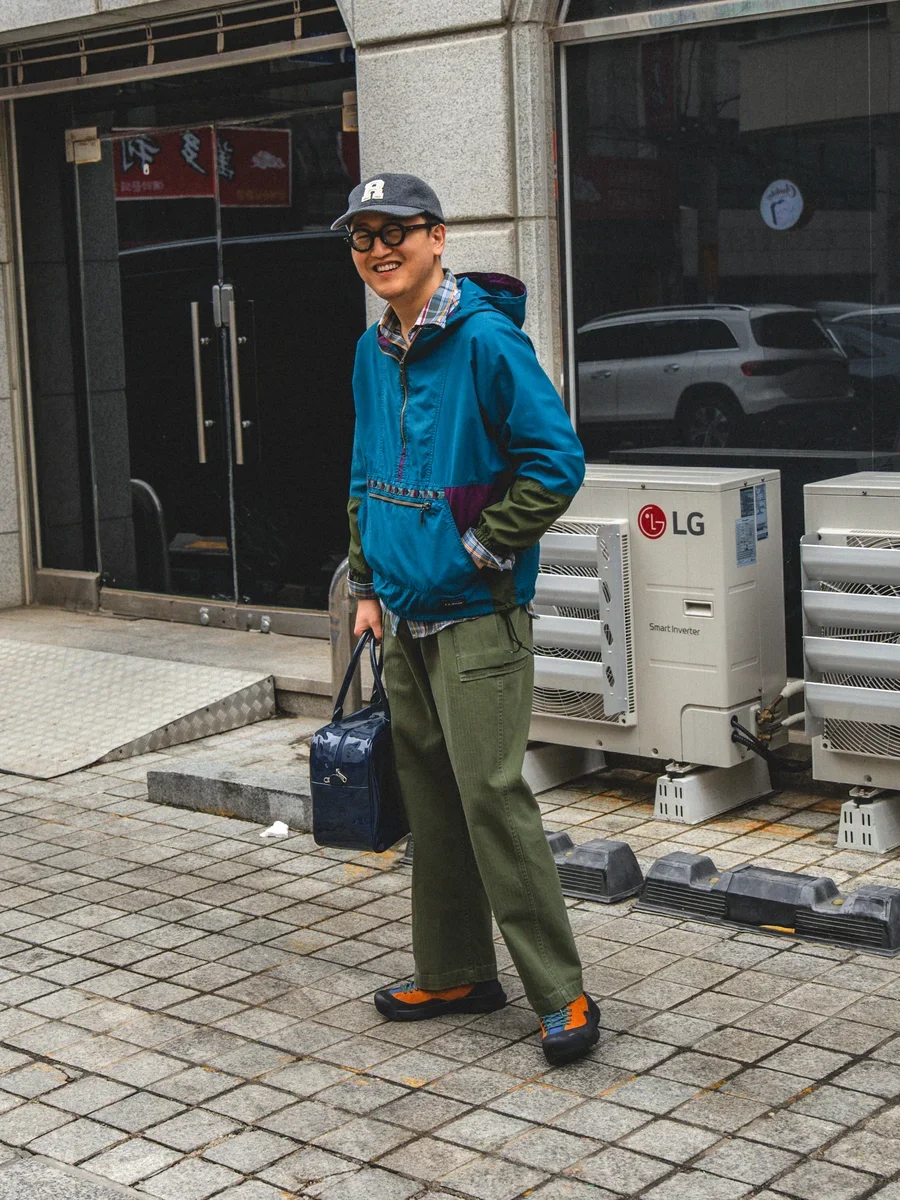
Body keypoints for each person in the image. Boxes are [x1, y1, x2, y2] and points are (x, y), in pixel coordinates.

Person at [333, 173, 599, 1065]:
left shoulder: (486, 340)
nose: (378, 249)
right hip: (404, 618)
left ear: (437, 238)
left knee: (492, 797)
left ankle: (562, 992)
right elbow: (367, 471)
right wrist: (367, 584)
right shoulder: (375, 350)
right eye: (363, 236)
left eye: (395, 232)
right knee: (434, 802)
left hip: (479, 617)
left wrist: (486, 548)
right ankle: (453, 971)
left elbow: (555, 462)